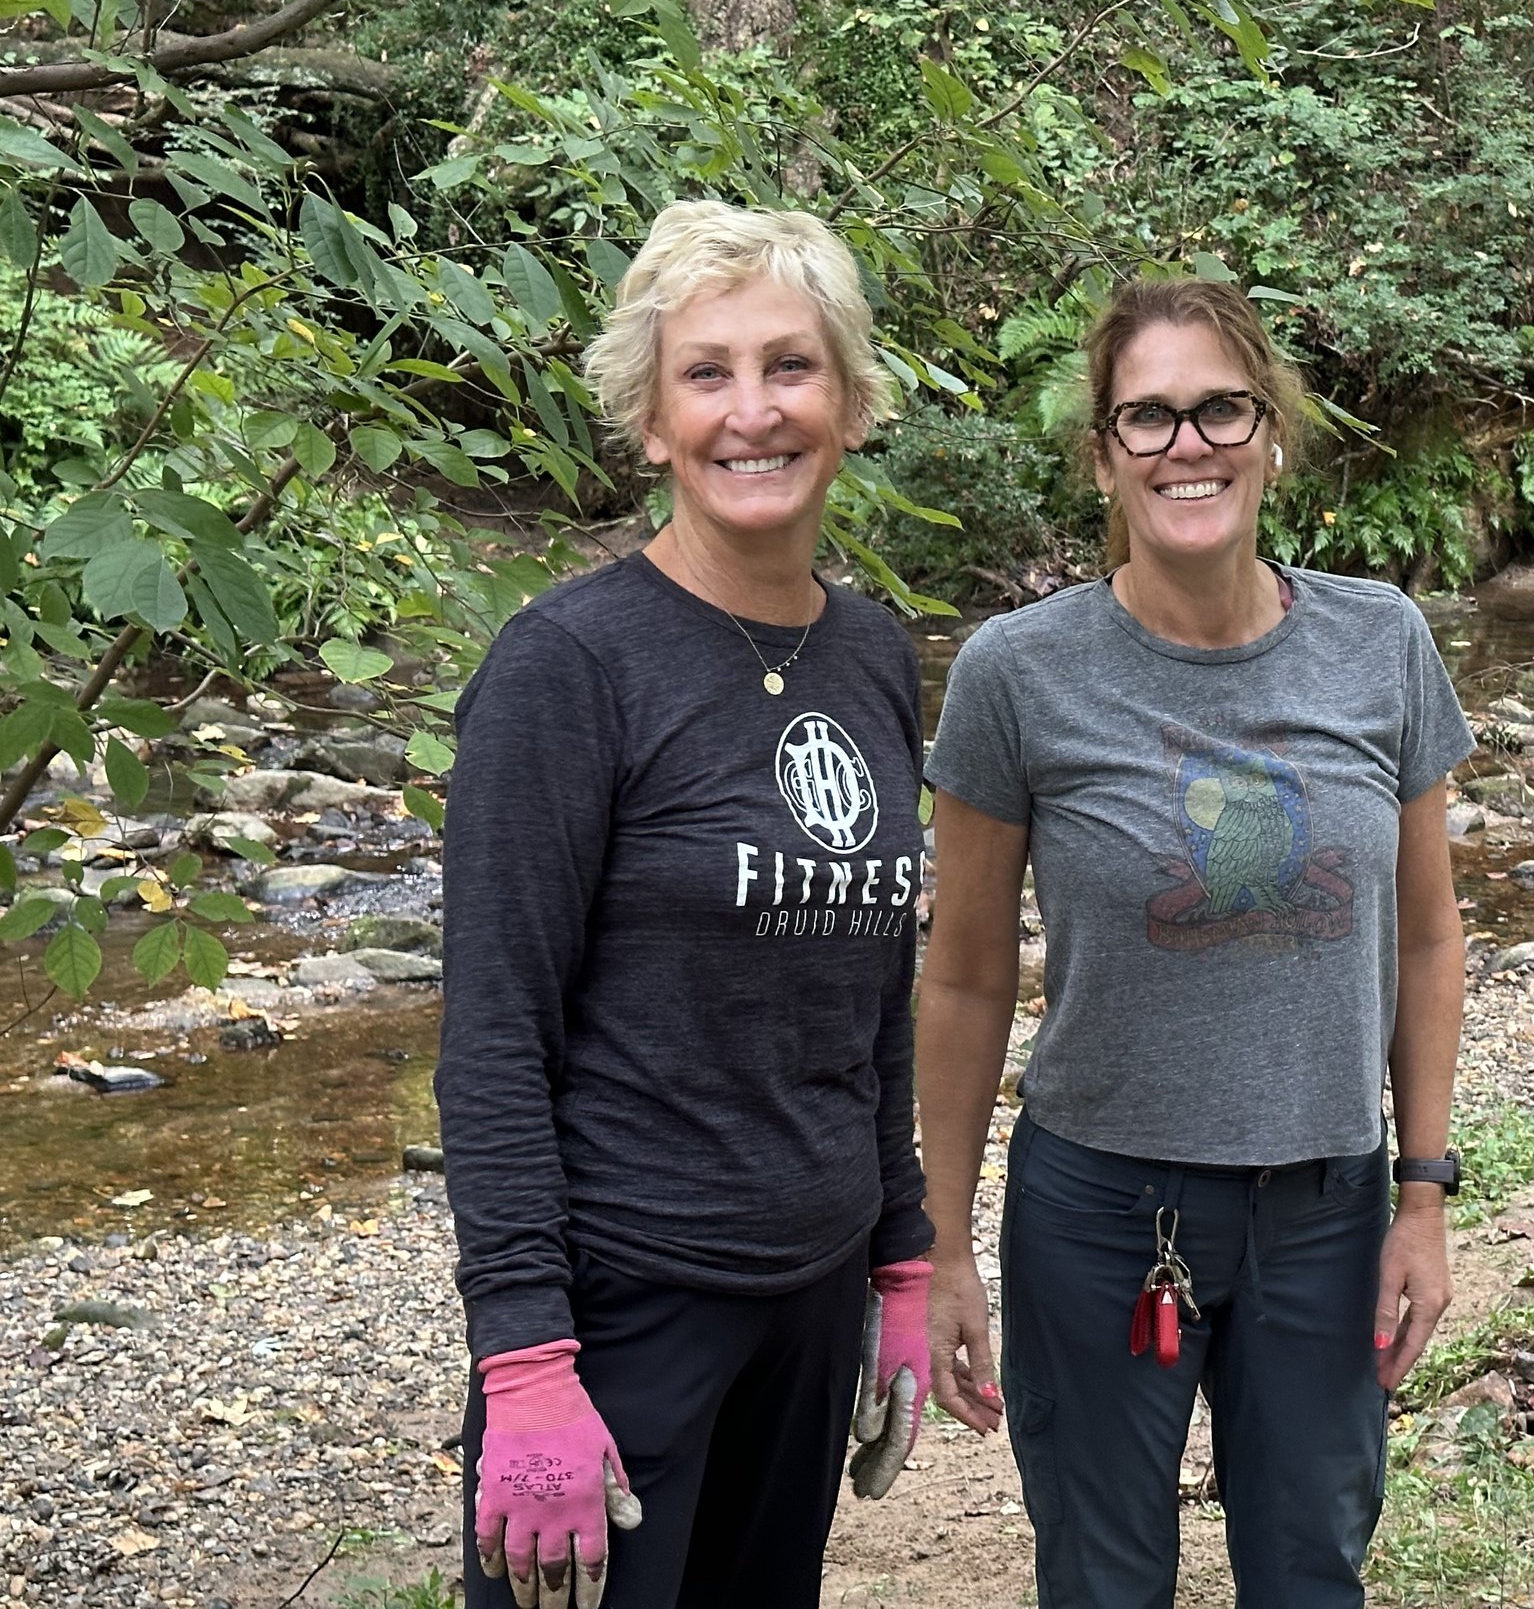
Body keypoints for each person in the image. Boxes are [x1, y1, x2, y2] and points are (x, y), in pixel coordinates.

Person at [914, 278, 1474, 1607]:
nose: (1189, 445)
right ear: (1105, 456)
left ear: (1270, 433)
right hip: (1103, 1215)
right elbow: (965, 975)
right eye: (1148, 417)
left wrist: (1426, 1197)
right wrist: (938, 1244)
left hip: (1328, 1209)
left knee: (1310, 1571)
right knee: (1105, 1583)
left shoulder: (1380, 643)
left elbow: (1430, 938)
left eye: (1221, 408)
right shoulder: (1016, 673)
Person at [436, 201, 935, 1609]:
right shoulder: (566, 669)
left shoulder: (874, 656)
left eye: (791, 366)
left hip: (814, 1292)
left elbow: (872, 994)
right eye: (706, 374)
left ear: (848, 401)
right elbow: (493, 1039)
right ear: (651, 423)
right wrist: (525, 1359)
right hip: (622, 1305)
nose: (752, 411)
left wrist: (902, 1259)